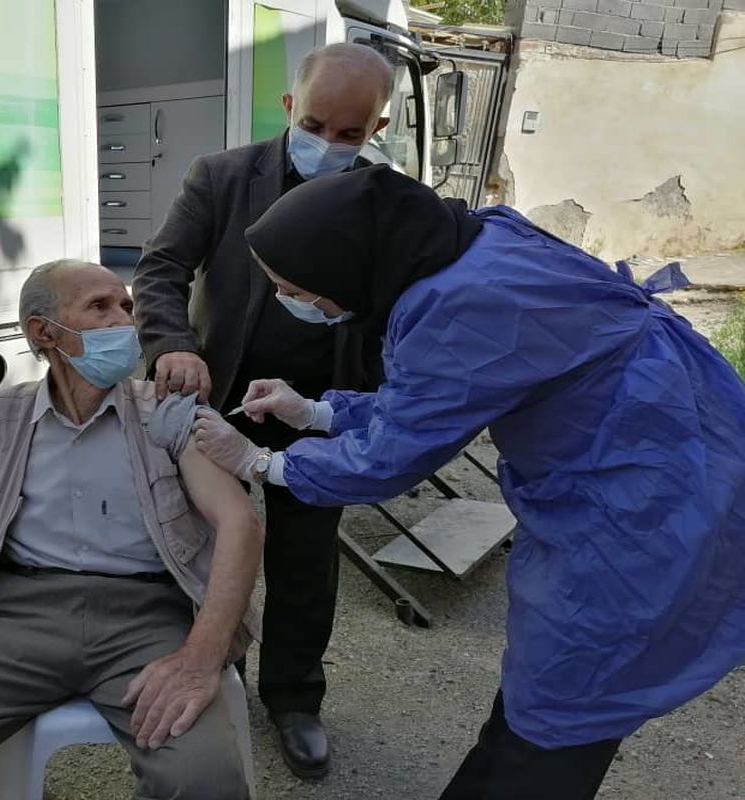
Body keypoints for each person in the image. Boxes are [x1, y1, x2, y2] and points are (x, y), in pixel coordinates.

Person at [190, 164, 745, 800]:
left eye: (295, 290)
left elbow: (389, 457)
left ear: (344, 265)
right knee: (547, 693)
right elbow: (440, 397)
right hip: (675, 439)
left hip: (645, 500)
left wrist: (261, 463)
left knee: (567, 701)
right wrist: (314, 411)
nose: (290, 302)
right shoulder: (469, 246)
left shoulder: (451, 305)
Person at [0, 260, 262, 800]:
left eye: (126, 306)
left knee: (206, 783)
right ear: (44, 332)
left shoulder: (165, 413)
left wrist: (200, 657)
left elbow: (239, 523)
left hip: (147, 619)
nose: (124, 321)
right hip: (14, 619)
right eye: (99, 306)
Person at [132, 42, 395, 779]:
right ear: (289, 106)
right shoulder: (220, 176)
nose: (329, 143)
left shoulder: (385, 198)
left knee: (306, 557)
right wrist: (172, 347)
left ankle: (294, 697)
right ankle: (216, 675)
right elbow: (160, 268)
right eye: (315, 125)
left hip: (320, 408)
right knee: (208, 548)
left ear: (377, 128)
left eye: (350, 133)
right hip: (219, 398)